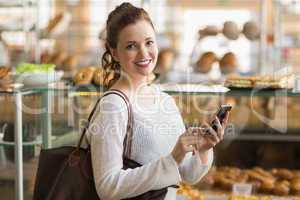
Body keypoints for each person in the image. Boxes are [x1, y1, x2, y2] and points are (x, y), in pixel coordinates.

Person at [86, 2, 229, 200]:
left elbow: (188, 175)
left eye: (149, 42)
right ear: (114, 52)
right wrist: (172, 158)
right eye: (131, 46)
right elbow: (107, 187)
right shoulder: (114, 106)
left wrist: (204, 148)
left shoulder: (164, 100)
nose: (144, 54)